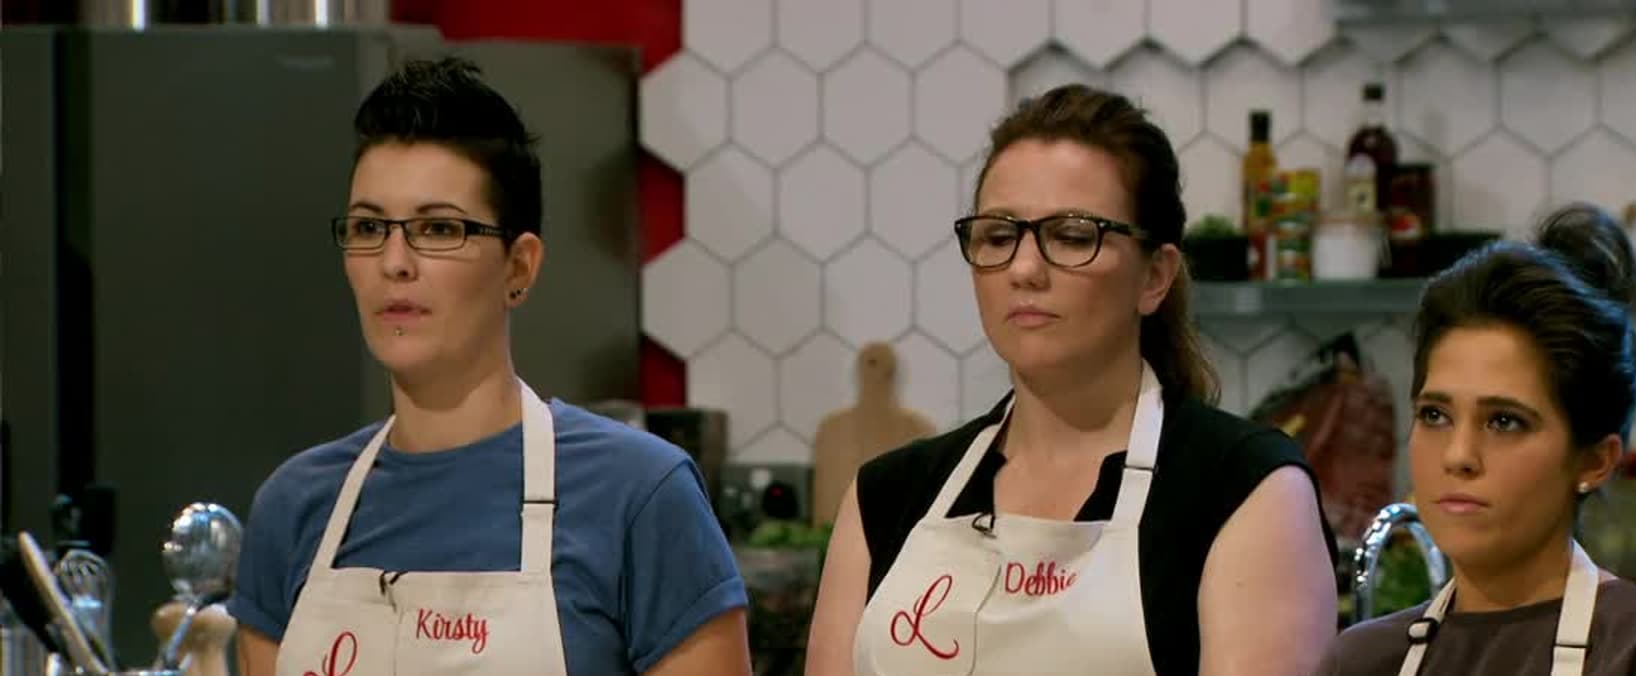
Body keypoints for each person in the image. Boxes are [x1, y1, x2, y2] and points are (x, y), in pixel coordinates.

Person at [228, 57, 750, 676]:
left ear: (519, 267)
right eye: (369, 227)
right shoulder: (294, 507)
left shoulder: (638, 495)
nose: (395, 262)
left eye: (438, 228)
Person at [805, 83, 1340, 676]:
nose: (1024, 268)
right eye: (998, 236)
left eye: (1073, 235)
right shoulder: (885, 498)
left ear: (1155, 277)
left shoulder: (1244, 490)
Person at [1313, 205, 1636, 675]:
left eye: (1504, 421)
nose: (1458, 455)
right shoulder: (1364, 660)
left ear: (1595, 461)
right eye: (1435, 415)